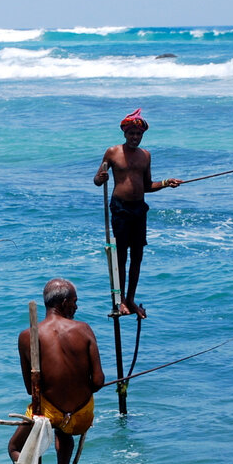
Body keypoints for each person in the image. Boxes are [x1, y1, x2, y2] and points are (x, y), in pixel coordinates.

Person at [7, 278, 105, 464]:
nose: (76, 308)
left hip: (48, 414)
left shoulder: (26, 336)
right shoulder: (84, 329)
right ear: (63, 303)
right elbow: (99, 381)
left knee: (13, 447)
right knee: (65, 429)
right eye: (74, 302)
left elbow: (31, 390)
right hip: (81, 415)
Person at [93, 109, 181, 318]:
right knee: (121, 256)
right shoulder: (112, 152)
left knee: (137, 257)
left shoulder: (146, 156)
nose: (135, 137)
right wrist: (102, 177)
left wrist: (167, 183)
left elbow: (148, 185)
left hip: (139, 209)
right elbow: (97, 180)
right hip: (120, 209)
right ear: (125, 133)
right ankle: (121, 299)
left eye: (138, 134)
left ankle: (131, 298)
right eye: (131, 133)